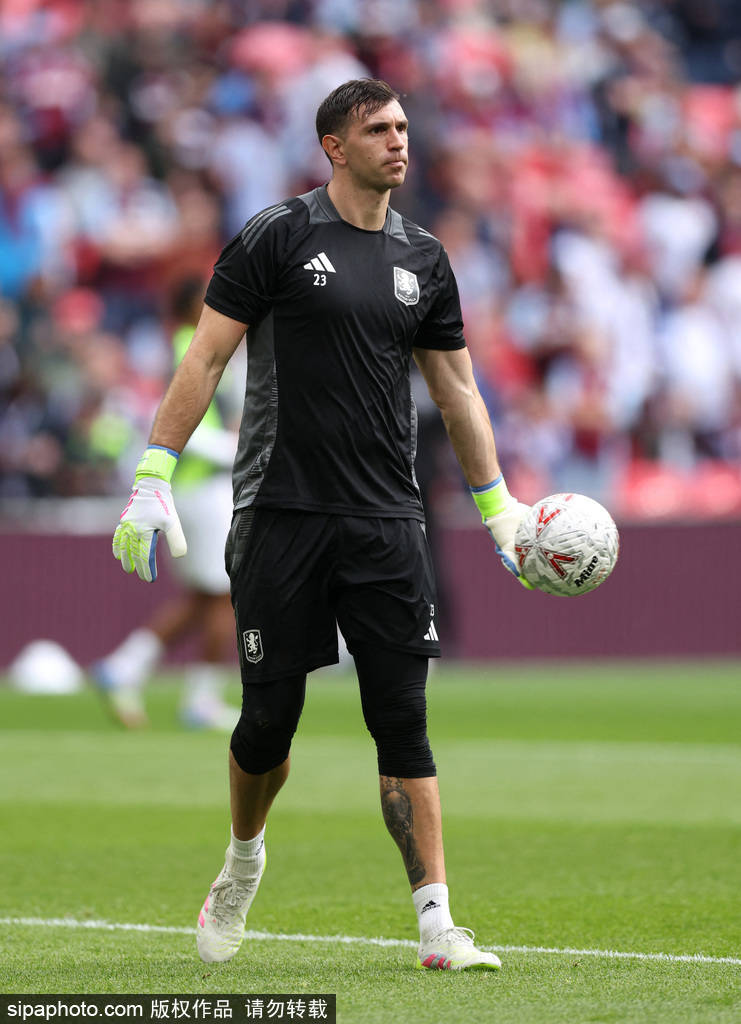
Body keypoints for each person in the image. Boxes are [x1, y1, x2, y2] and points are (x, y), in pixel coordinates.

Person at [111, 79, 531, 972]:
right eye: (378, 129)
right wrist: (153, 472)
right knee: (269, 722)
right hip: (280, 513)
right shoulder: (277, 235)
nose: (398, 140)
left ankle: (437, 923)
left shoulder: (425, 257)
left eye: (403, 126)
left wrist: (498, 510)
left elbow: (456, 390)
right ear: (334, 146)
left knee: (402, 719)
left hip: (386, 519)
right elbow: (207, 355)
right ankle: (241, 863)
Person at [95, 277, 242, 730]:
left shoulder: (177, 344)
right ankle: (201, 700)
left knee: (204, 596)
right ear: (193, 304)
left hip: (190, 489)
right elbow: (187, 426)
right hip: (203, 487)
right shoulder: (191, 345)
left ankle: (124, 667)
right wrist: (241, 449)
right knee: (226, 595)